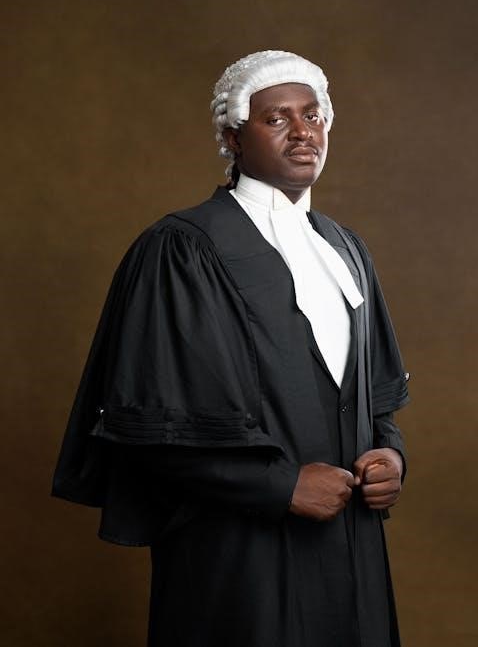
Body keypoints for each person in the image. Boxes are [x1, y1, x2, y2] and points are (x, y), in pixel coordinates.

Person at [53, 50, 410, 647]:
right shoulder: (182, 248)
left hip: (352, 548)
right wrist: (279, 486)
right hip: (238, 558)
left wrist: (390, 457)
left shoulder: (345, 249)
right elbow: (154, 426)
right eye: (276, 118)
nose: (303, 132)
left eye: (313, 115)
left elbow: (375, 399)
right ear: (233, 137)